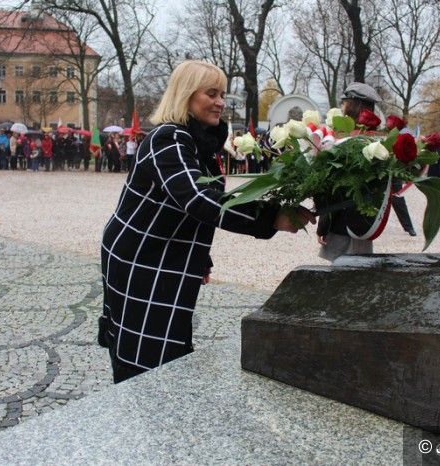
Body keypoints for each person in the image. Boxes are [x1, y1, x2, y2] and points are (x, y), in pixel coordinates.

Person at [98, 60, 315, 383]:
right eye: (211, 94)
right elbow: (198, 199)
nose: (220, 102)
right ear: (186, 94)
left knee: (168, 339)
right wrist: (270, 217)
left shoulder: (198, 141)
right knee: (144, 353)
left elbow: (187, 207)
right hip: (142, 257)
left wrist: (199, 255)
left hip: (165, 251)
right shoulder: (168, 139)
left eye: (222, 94)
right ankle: (137, 406)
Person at [316, 82, 383, 260]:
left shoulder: (339, 143)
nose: (342, 106)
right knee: (361, 269)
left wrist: (323, 226)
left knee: (340, 271)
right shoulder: (378, 144)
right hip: (365, 224)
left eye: (345, 102)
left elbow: (329, 190)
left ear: (354, 105)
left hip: (340, 225)